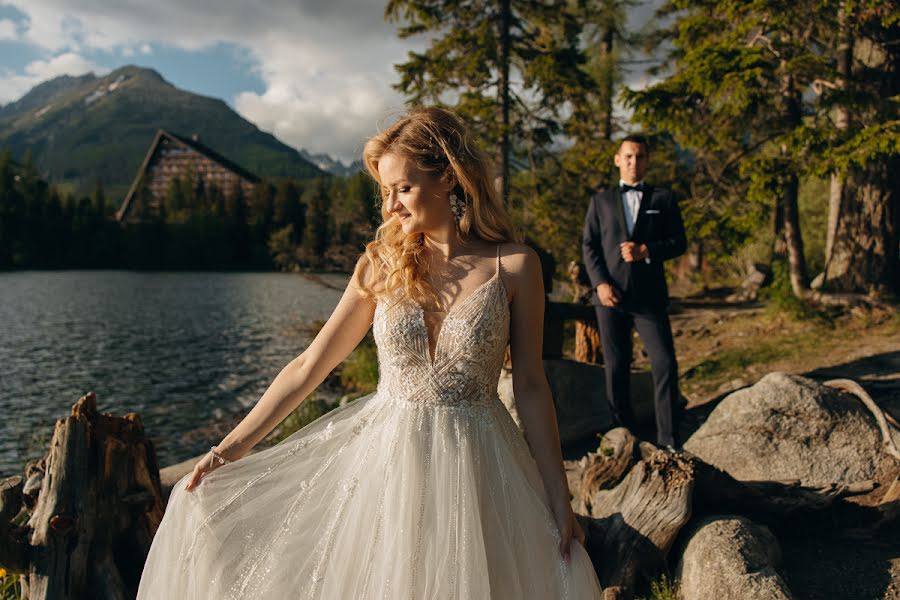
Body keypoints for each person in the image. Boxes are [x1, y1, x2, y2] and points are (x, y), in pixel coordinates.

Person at [137, 107, 602, 599]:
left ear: (447, 177)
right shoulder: (381, 264)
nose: (391, 207)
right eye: (385, 192)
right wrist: (226, 451)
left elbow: (530, 383)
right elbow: (309, 366)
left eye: (402, 187)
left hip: (480, 464)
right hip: (387, 464)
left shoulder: (515, 265)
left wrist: (557, 493)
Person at [581, 135, 687, 451]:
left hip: (649, 298)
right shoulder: (600, 202)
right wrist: (600, 284)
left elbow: (679, 242)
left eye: (640, 157)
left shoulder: (663, 199)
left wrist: (647, 250)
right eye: (628, 156)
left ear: (647, 161)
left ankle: (668, 440)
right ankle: (622, 438)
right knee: (616, 367)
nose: (633, 162)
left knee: (665, 363)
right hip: (610, 297)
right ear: (617, 159)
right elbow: (589, 245)